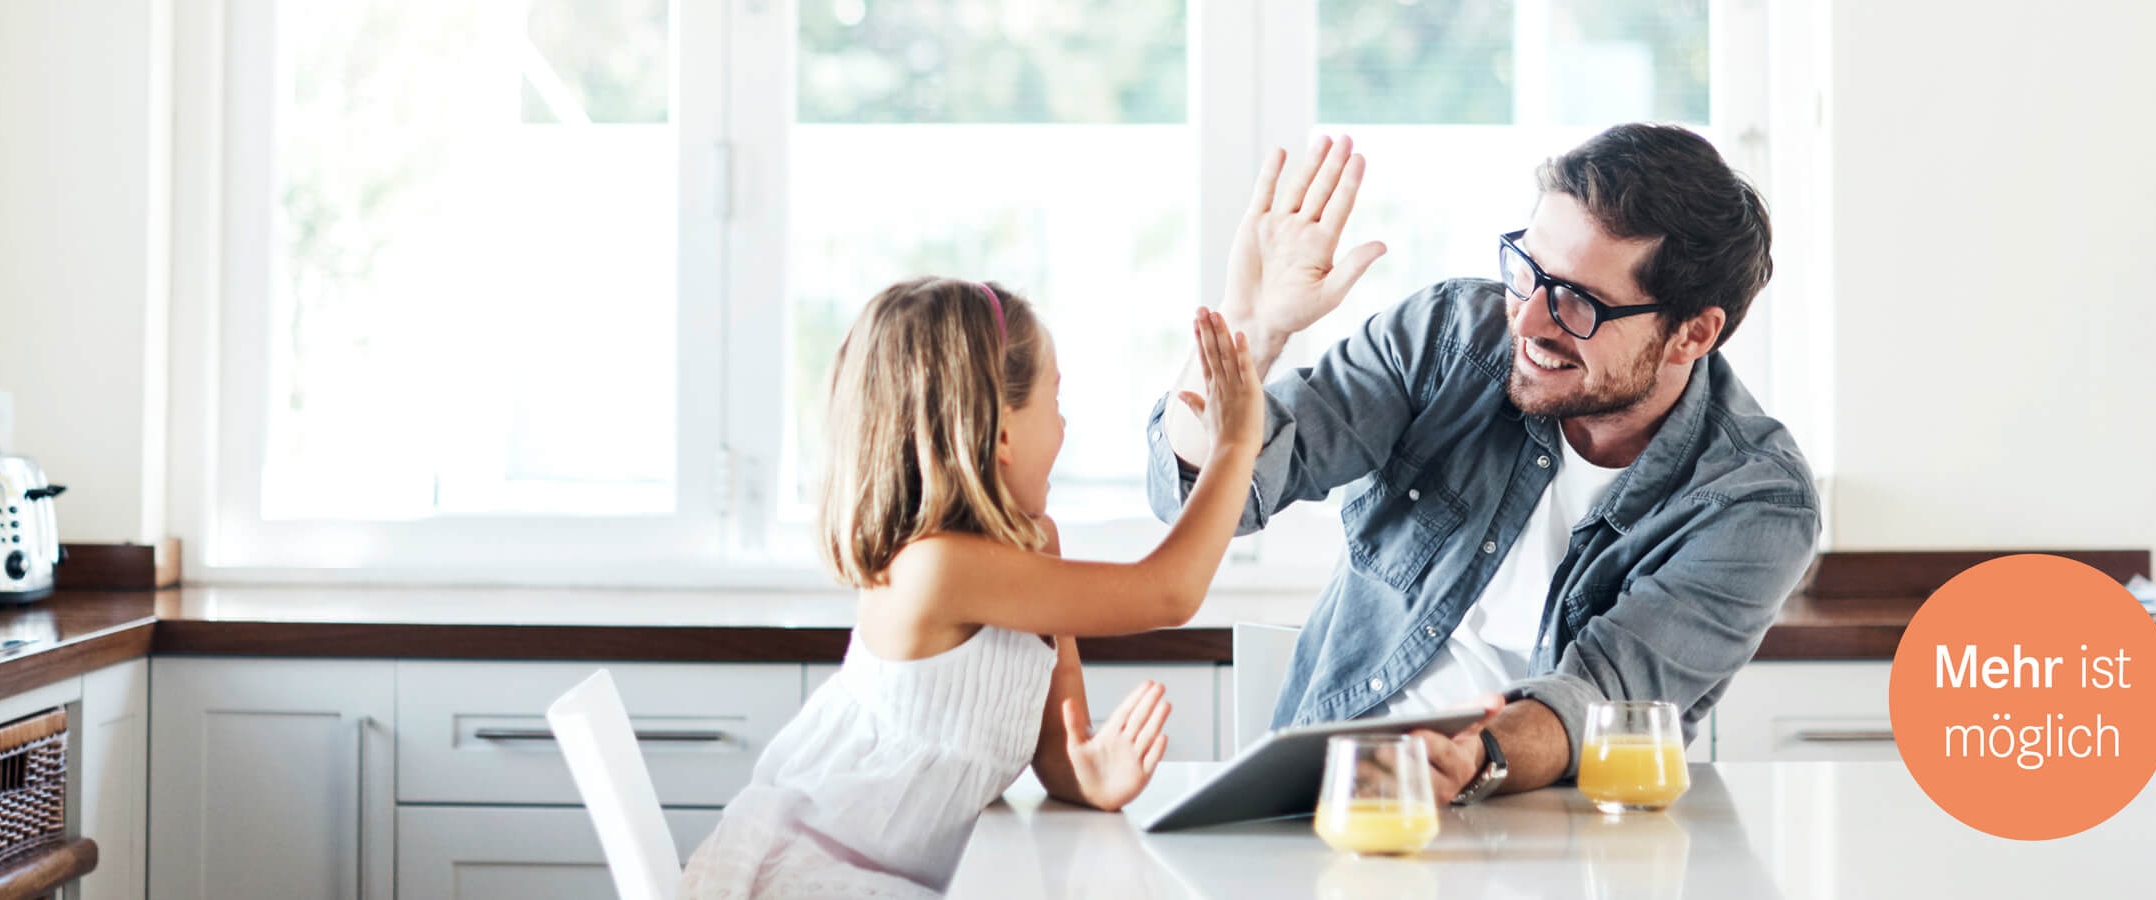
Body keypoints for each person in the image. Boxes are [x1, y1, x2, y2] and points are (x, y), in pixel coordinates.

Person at [1148, 124, 1819, 806]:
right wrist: (1251, 331)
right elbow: (1208, 502)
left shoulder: (1752, 500)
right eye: (1527, 270)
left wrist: (1477, 758)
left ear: (1694, 333)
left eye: (1578, 303)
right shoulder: (1448, 337)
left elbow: (1609, 696)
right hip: (1335, 800)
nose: (1528, 322)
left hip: (1549, 831)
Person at [680, 277, 1265, 898]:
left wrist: (1086, 774)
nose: (1065, 428)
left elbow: (1053, 742)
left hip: (910, 875)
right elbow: (1168, 593)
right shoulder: (934, 570)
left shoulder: (1036, 547)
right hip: (815, 871)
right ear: (1004, 433)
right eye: (1055, 403)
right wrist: (1233, 446)